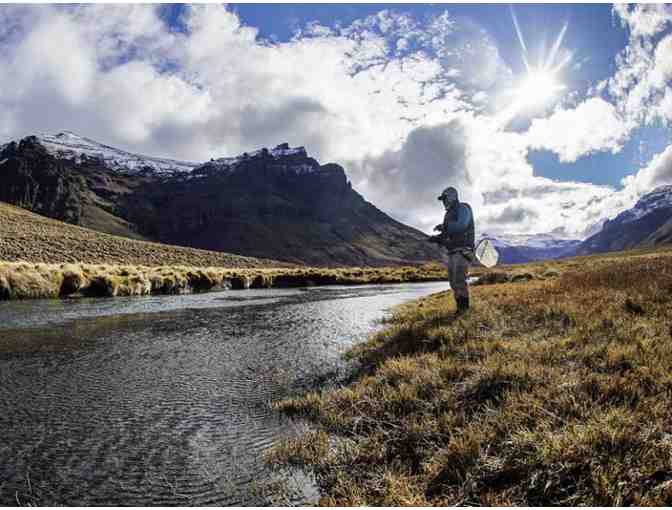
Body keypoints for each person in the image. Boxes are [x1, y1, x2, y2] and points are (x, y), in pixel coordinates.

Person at [429, 186, 475, 314]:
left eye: (445, 198)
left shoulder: (463, 208)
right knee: (453, 282)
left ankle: (464, 310)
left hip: (462, 251)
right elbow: (448, 233)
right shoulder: (448, 214)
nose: (443, 201)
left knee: (459, 280)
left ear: (452, 197)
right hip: (453, 251)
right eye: (442, 199)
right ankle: (460, 308)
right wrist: (437, 238)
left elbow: (461, 225)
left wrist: (444, 226)